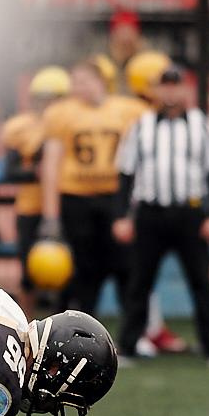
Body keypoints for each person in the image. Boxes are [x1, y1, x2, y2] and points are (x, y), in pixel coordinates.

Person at [115, 66, 209, 360]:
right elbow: (126, 174)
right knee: (139, 281)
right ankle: (127, 345)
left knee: (200, 281)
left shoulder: (202, 125)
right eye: (164, 86)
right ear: (156, 90)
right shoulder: (141, 125)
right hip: (151, 213)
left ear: (186, 90)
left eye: (175, 85)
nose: (170, 92)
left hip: (190, 212)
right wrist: (122, 216)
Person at [37, 58, 135, 317]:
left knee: (124, 265)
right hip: (76, 198)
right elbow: (51, 164)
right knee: (83, 268)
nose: (78, 87)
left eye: (84, 80)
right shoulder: (61, 113)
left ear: (101, 81)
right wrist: (50, 215)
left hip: (114, 197)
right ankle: (81, 323)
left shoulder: (128, 110)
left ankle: (133, 331)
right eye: (75, 82)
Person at [1, 65, 70, 248]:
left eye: (54, 99)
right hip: (31, 206)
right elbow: (10, 171)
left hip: (69, 204)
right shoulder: (21, 127)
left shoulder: (74, 124)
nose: (47, 105)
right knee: (31, 267)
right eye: (42, 99)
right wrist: (36, 172)